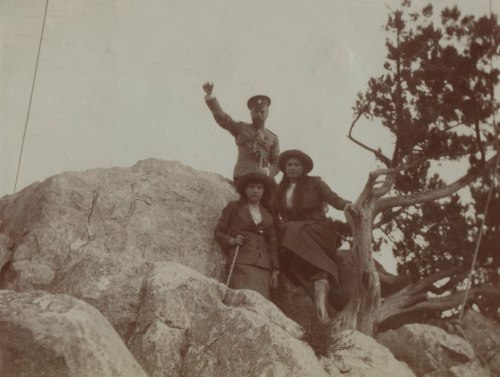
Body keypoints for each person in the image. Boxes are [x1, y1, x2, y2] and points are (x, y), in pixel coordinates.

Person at [272, 150, 355, 322]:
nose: (292, 168)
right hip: (296, 231)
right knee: (284, 240)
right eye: (289, 165)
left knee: (288, 231)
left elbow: (332, 198)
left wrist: (346, 205)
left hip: (319, 229)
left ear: (303, 168)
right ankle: (319, 287)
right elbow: (271, 209)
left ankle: (324, 273)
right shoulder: (280, 189)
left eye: (296, 165)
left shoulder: (315, 183)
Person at [214, 172, 280, 299]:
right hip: (241, 262)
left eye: (259, 187)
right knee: (239, 301)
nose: (255, 191)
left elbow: (272, 244)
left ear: (264, 191)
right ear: (245, 189)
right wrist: (232, 241)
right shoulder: (233, 207)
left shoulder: (268, 215)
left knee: (260, 305)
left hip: (263, 267)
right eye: (251, 187)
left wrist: (275, 270)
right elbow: (219, 231)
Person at [202, 82, 280, 181]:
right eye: (256, 111)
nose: (259, 114)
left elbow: (277, 163)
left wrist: (268, 171)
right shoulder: (241, 128)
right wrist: (210, 96)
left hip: (263, 179)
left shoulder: (273, 138)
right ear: (251, 113)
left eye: (262, 111)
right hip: (243, 177)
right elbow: (222, 118)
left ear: (267, 113)